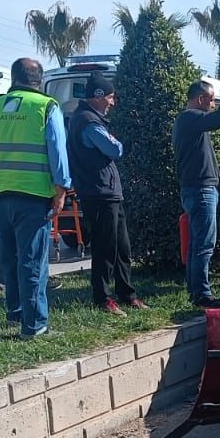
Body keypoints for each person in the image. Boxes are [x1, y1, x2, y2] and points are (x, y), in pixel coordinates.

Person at [0, 57, 71, 340]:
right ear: (39, 79)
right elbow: (57, 150)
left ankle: (15, 312)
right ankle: (35, 324)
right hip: (33, 195)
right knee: (32, 261)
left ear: (13, 78)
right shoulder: (46, 106)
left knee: (9, 258)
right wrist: (61, 189)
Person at [67, 71, 145, 314]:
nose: (113, 102)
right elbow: (114, 150)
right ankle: (103, 298)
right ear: (98, 96)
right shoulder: (88, 122)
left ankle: (127, 294)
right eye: (110, 97)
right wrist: (115, 141)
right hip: (98, 192)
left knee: (122, 248)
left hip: (108, 191)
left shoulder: (89, 118)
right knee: (104, 248)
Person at [173, 75, 220, 306]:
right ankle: (202, 293)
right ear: (201, 99)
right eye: (212, 100)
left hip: (197, 188)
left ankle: (196, 291)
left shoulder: (189, 121)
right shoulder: (190, 117)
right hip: (201, 189)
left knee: (198, 243)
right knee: (204, 244)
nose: (213, 104)